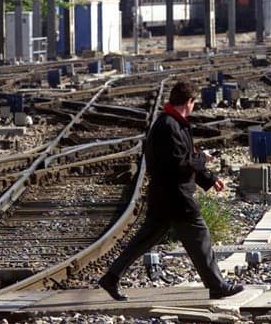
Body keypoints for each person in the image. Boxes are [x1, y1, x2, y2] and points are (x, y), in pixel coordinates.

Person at [98, 81, 244, 301]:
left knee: (144, 240)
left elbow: (186, 158)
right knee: (200, 236)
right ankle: (217, 286)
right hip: (176, 196)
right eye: (194, 103)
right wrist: (202, 159)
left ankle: (111, 277)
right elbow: (179, 163)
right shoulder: (169, 126)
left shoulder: (174, 124)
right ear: (189, 101)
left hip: (164, 196)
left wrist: (210, 177)